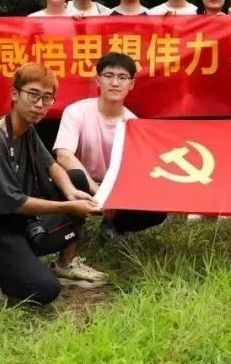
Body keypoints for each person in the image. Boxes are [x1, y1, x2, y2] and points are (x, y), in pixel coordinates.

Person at [0, 63, 102, 304]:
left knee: (76, 179)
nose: (39, 104)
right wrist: (70, 207)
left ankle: (65, 264)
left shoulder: (26, 129)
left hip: (18, 222)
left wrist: (71, 193)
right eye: (33, 95)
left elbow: (52, 165)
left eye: (47, 98)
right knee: (46, 289)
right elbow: (14, 202)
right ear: (15, 94)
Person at [54, 52, 168, 244]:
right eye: (109, 76)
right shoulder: (76, 112)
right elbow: (64, 156)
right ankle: (64, 235)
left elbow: (137, 170)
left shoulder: (133, 124)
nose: (115, 83)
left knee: (157, 207)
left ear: (131, 84)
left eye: (122, 77)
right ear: (98, 80)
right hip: (83, 184)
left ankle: (115, 226)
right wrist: (98, 191)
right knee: (72, 176)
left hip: (117, 189)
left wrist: (114, 196)